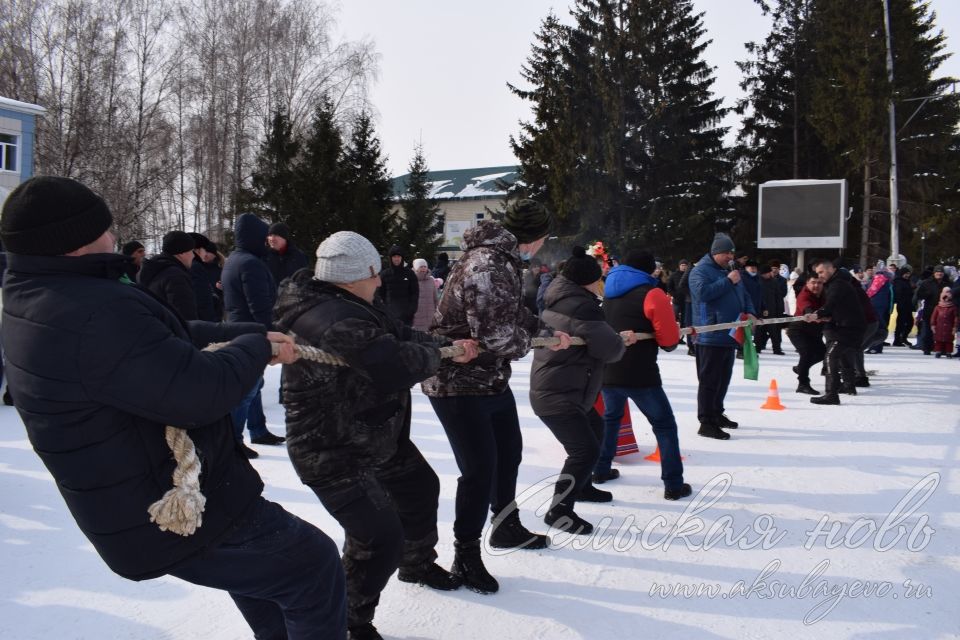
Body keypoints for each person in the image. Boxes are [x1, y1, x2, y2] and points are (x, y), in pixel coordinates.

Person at [0, 176, 346, 639]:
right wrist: (254, 351)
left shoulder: (41, 293)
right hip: (167, 509)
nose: (114, 235)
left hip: (144, 498)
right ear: (77, 240)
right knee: (312, 566)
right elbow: (197, 392)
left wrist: (246, 334)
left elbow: (160, 338)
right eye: (106, 226)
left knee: (274, 579)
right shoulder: (91, 312)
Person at [274, 231, 478, 640]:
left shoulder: (351, 303)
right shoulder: (331, 319)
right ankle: (350, 619)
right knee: (377, 536)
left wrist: (447, 345)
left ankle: (416, 562)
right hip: (331, 449)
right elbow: (395, 364)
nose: (381, 280)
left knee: (420, 488)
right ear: (354, 276)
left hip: (372, 433)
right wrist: (440, 356)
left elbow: (398, 335)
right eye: (375, 274)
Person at [421, 199, 571, 595]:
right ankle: (466, 554)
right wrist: (535, 341)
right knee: (479, 469)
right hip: (457, 382)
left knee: (509, 453)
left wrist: (546, 331)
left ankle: (505, 524)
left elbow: (512, 316)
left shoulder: (503, 261)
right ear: (535, 238)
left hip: (488, 378)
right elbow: (497, 336)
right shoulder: (487, 265)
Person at [531, 246, 627, 536]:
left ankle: (583, 487)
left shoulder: (560, 296)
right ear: (587, 280)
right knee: (584, 450)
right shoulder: (582, 307)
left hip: (564, 387)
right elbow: (610, 349)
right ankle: (559, 511)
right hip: (558, 393)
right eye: (598, 279)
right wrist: (619, 340)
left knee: (595, 429)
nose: (601, 284)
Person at [598, 249, 692, 500]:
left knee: (610, 419)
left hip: (608, 369)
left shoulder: (608, 291)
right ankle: (673, 484)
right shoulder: (652, 293)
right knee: (664, 425)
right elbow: (669, 340)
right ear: (648, 269)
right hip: (640, 373)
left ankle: (600, 469)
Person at [221, 213, 285, 453]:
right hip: (250, 332)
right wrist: (269, 334)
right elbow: (258, 304)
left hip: (239, 328)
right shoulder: (250, 263)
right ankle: (232, 442)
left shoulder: (234, 260)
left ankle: (257, 430)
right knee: (246, 389)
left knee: (254, 386)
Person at [688, 233, 756, 439]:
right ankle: (706, 422)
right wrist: (727, 281)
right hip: (710, 334)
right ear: (716, 252)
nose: (730, 257)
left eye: (732, 253)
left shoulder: (729, 271)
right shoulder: (699, 271)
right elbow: (702, 294)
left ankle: (717, 413)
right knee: (709, 380)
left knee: (723, 379)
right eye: (726, 253)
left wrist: (750, 311)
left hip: (730, 334)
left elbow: (744, 295)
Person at [810, 259, 867, 405]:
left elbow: (831, 304)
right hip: (846, 327)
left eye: (821, 272)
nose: (819, 275)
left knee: (830, 356)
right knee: (841, 355)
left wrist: (818, 314)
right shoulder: (834, 284)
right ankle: (848, 386)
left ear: (832, 269)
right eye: (817, 273)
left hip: (849, 328)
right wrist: (825, 317)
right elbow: (839, 308)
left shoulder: (838, 285)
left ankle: (831, 395)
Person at [137, 231, 199, 321]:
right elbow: (186, 317)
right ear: (181, 253)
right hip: (174, 332)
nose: (193, 255)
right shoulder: (176, 276)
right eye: (191, 251)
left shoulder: (151, 270)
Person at [786, 274, 826, 395]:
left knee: (822, 353)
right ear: (807, 283)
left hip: (815, 330)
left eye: (819, 283)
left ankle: (800, 368)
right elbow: (805, 306)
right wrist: (810, 314)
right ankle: (803, 384)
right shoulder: (804, 294)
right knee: (806, 353)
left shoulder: (825, 294)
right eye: (813, 282)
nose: (816, 285)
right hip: (798, 330)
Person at [379, 245, 419, 326]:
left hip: (406, 315)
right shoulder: (384, 274)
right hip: (390, 315)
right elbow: (379, 294)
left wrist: (412, 310)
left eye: (398, 256)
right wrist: (385, 309)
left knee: (406, 337)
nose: (396, 259)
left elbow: (415, 292)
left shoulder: (409, 273)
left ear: (402, 258)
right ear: (391, 258)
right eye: (394, 256)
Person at [266, 221, 309, 291]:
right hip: (269, 299)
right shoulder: (263, 256)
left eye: (276, 235)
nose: (272, 239)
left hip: (291, 299)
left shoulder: (299, 256)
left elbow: (304, 280)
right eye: (270, 235)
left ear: (284, 238)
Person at [187, 232, 221, 322]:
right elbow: (203, 301)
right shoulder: (196, 268)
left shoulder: (188, 267)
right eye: (204, 250)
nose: (205, 254)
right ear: (198, 250)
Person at [755, 263, 786, 354]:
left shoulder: (774, 282)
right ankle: (757, 348)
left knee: (774, 332)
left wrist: (780, 310)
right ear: (763, 273)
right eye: (768, 272)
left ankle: (777, 349)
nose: (770, 274)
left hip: (772, 311)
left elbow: (778, 297)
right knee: (759, 332)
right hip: (760, 311)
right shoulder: (757, 281)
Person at [411, 257, 439, 331]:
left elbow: (435, 298)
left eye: (425, 266)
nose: (423, 269)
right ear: (416, 268)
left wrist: (437, 311)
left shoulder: (431, 280)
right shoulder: (411, 280)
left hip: (430, 316)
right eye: (421, 267)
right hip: (416, 317)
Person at [930, 287, 957, 358]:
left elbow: (956, 318)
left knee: (949, 340)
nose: (946, 300)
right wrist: (933, 325)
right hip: (939, 327)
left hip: (949, 327)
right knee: (938, 340)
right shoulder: (938, 307)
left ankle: (948, 352)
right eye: (944, 298)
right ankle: (938, 351)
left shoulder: (953, 307)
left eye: (948, 298)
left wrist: (955, 327)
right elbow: (933, 316)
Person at [891, 266, 915, 346]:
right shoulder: (898, 281)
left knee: (910, 322)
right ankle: (897, 340)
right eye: (906, 273)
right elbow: (898, 293)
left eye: (908, 273)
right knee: (900, 323)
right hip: (902, 305)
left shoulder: (907, 281)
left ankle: (903, 338)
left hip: (908, 305)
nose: (907, 275)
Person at [666, 259, 689, 341]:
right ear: (679, 266)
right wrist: (674, 294)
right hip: (676, 301)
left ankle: (681, 337)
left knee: (684, 320)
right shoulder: (674, 275)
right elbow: (669, 287)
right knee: (673, 318)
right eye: (682, 265)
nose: (684, 267)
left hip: (686, 301)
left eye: (685, 265)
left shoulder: (689, 274)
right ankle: (671, 336)